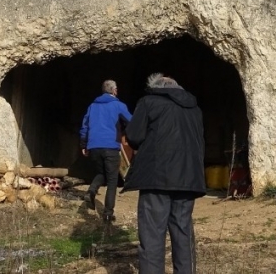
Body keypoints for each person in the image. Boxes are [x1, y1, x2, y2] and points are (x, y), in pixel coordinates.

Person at [124, 73, 206, 274]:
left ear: (155, 87)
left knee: (152, 235)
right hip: (188, 177)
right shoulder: (194, 108)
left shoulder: (148, 102)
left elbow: (133, 136)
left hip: (156, 177)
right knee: (183, 233)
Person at [79, 79, 133, 222]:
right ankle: (108, 213)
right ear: (114, 91)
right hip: (111, 146)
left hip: (94, 146)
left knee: (101, 173)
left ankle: (91, 191)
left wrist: (84, 144)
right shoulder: (119, 106)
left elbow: (84, 126)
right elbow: (131, 122)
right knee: (112, 180)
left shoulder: (92, 106)